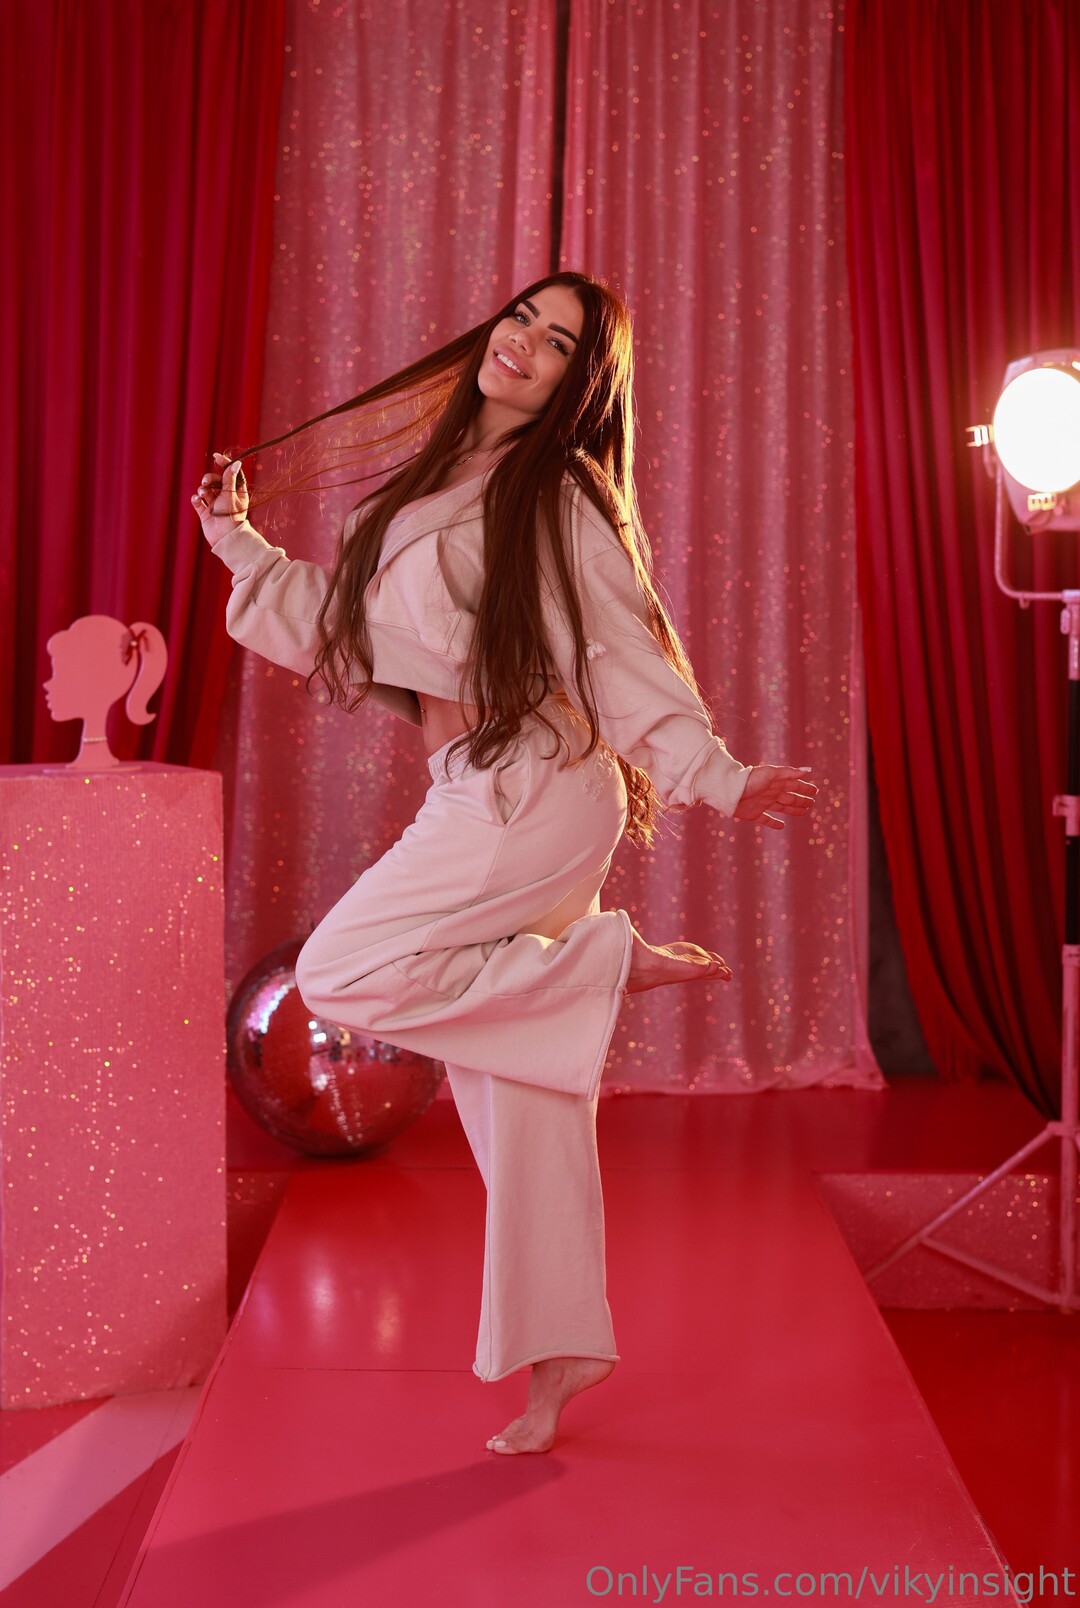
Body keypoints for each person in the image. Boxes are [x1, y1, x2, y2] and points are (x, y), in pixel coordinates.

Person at [192, 271, 816, 1455]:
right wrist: (236, 539)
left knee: (340, 970)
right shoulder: (441, 478)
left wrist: (719, 775)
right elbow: (351, 629)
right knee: (522, 1092)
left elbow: (617, 644)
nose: (525, 341)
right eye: (523, 317)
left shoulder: (557, 490)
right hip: (492, 785)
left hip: (533, 789)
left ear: (580, 384)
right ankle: (560, 1350)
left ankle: (603, 963)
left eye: (559, 341)